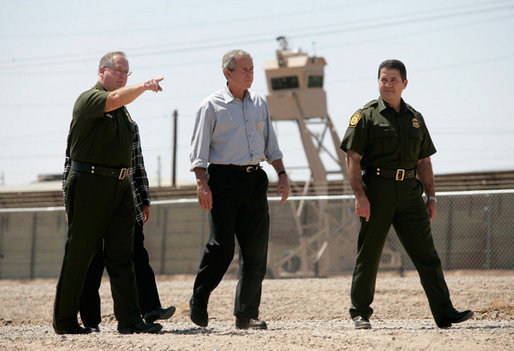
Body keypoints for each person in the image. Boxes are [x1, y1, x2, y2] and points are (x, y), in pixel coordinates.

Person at [340, 59, 473, 330]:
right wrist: (359, 196)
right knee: (370, 253)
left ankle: (445, 313)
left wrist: (431, 197)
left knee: (427, 254)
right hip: (377, 191)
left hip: (411, 194)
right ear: (378, 82)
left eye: (393, 80)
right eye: (383, 79)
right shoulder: (365, 116)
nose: (387, 84)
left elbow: (424, 161)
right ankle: (360, 313)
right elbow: (353, 157)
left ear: (404, 84)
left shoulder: (415, 118)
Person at [53, 51, 165, 335]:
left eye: (127, 73)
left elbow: (135, 156)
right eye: (118, 71)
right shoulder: (89, 99)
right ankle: (65, 320)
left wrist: (141, 194)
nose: (123, 77)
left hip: (120, 186)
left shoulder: (124, 113)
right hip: (90, 184)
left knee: (122, 254)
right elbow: (114, 99)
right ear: (102, 71)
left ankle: (129, 319)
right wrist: (143, 86)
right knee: (80, 254)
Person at [188, 49, 290, 330]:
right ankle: (200, 296)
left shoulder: (259, 103)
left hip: (255, 180)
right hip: (222, 181)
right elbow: (198, 152)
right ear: (228, 73)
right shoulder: (211, 105)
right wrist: (202, 183)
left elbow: (271, 145)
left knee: (256, 252)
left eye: (252, 68)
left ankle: (246, 314)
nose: (250, 74)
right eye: (244, 69)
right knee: (222, 248)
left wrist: (281, 173)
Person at [62, 121, 176, 332]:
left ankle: (150, 309)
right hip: (92, 203)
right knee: (92, 262)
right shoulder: (85, 121)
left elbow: (137, 163)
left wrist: (144, 199)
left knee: (137, 256)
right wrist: (69, 203)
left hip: (127, 202)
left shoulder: (129, 125)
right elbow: (70, 163)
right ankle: (90, 321)